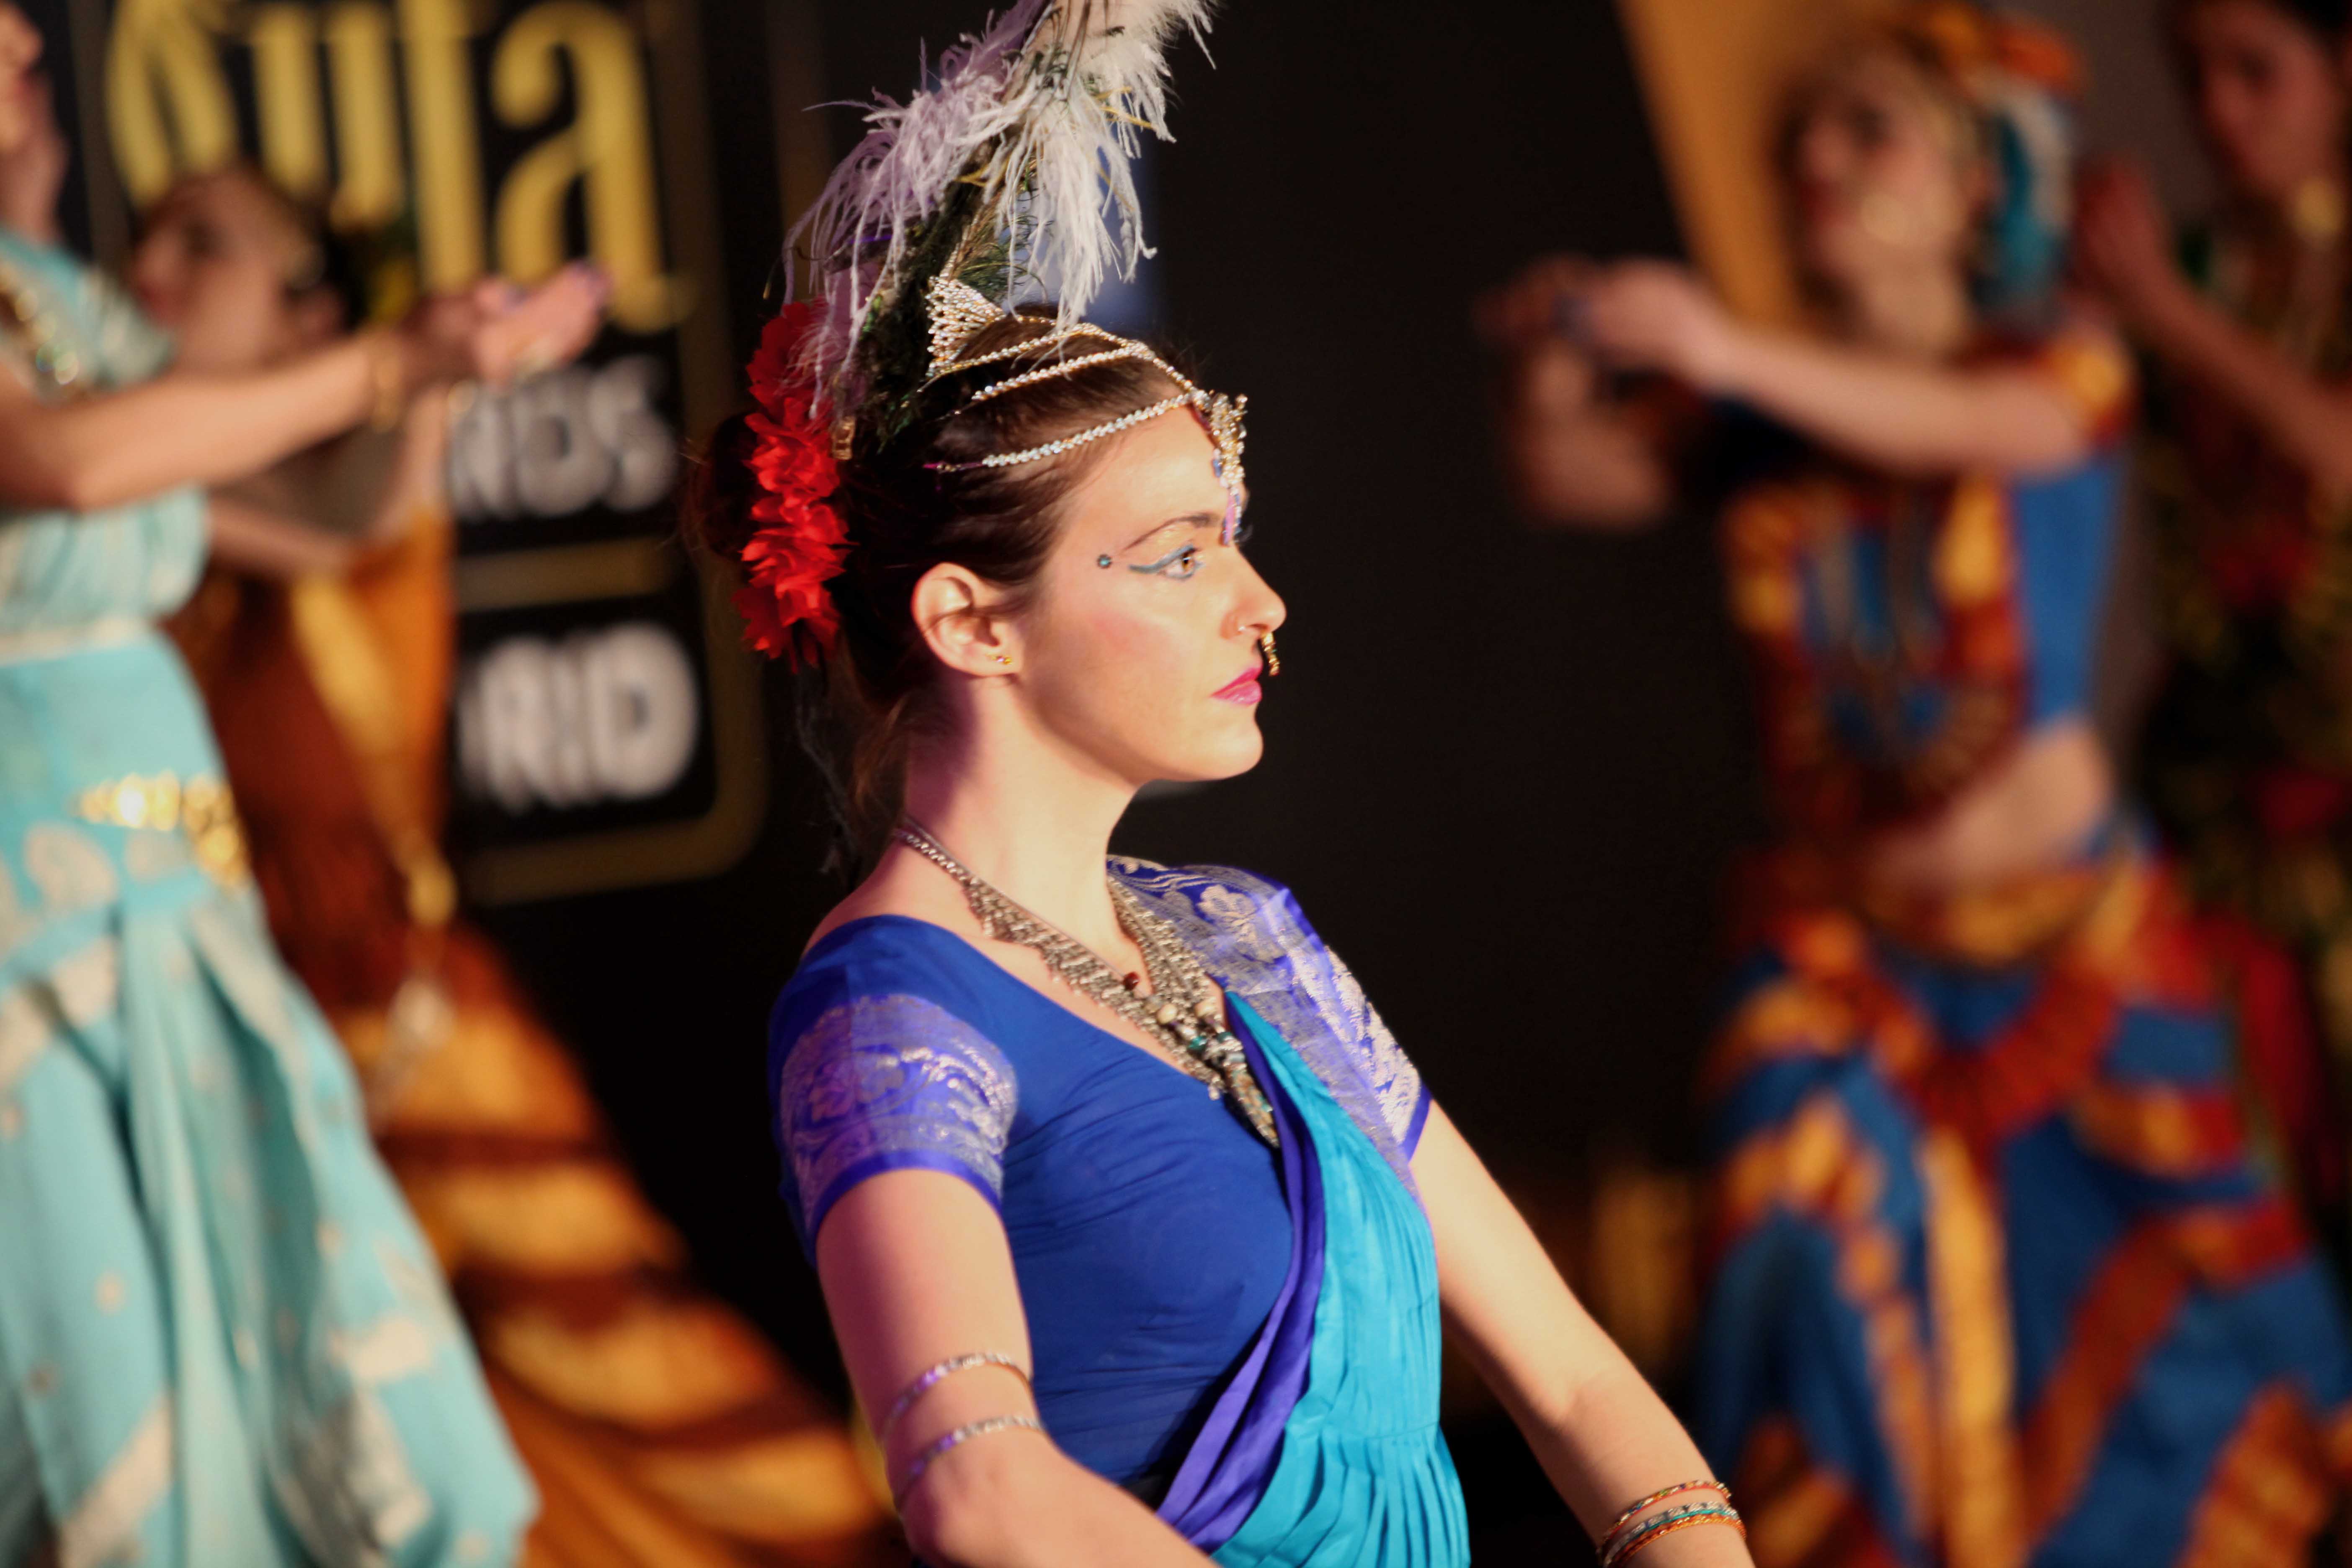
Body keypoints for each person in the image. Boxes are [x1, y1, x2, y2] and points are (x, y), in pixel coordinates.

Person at [696, 2, 1759, 1565]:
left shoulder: (1248, 938)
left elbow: (1580, 1381)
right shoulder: (890, 1003)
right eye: (1183, 554)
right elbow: (977, 1489)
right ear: (969, 620)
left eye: (1235, 540)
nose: (1259, 603)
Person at [1483, 4, 2352, 1563]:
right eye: (1801, 142)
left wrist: (1716, 345)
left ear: (1975, 187)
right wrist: (1555, 366)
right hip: (1843, 960)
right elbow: (1569, 474)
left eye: (1868, 133)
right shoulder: (1756, 412)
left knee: (2203, 1331)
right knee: (1809, 1294)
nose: (1820, 163)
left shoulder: (2059, 367)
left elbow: (1982, 430)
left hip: (2078, 944)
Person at [140, 164, 892, 1565]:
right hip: (235, 1051)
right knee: (388, 1422)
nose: (150, 273)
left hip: (410, 1034)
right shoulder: (128, 494)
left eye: (202, 244)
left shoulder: (336, 478)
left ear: (314, 315)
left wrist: (425, 368)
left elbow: (335, 518)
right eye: (140, 244)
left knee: (626, 1362)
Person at [0, 5, 608, 1560]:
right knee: (124, 1464)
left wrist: (455, 365)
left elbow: (324, 518)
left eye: (21, 44)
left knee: (391, 1436)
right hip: (26, 957)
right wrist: (389, 358)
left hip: (189, 934)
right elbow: (69, 468)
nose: (19, 53)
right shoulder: (76, 376)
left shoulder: (67, 308)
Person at [2076, 0, 2352, 1272]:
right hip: (2219, 798)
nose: (2223, 113)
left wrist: (2164, 317)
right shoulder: (2193, 270)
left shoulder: (2191, 294)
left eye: (2260, 73)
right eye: (2199, 79)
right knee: (2245, 1185)